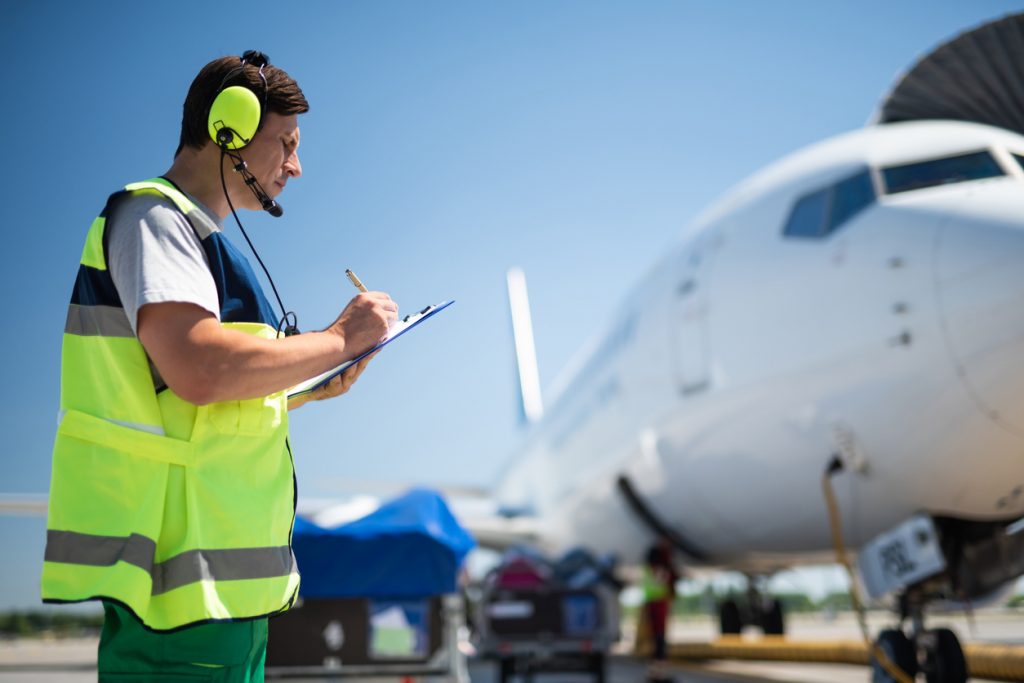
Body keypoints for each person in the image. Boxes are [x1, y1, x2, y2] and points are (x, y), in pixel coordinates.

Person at [41, 50, 397, 680]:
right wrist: (340, 338)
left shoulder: (196, 240)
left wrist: (303, 387)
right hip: (180, 606)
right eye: (286, 143)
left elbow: (194, 402)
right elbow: (200, 369)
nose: (295, 166)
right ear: (229, 128)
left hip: (221, 603)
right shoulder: (155, 218)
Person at [642, 539, 679, 683]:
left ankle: (655, 673)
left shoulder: (648, 570)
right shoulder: (657, 571)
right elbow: (662, 579)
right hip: (658, 605)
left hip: (656, 604)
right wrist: (669, 574)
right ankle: (659, 674)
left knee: (659, 643)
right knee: (660, 643)